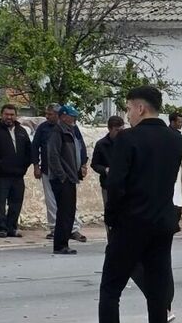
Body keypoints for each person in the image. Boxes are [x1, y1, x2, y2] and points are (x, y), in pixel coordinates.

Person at [94, 86, 182, 323]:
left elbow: (116, 185)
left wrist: (111, 219)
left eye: (129, 109)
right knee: (158, 294)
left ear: (140, 108)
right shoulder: (177, 141)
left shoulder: (127, 139)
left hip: (130, 224)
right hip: (162, 224)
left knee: (111, 289)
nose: (128, 115)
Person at [33, 103, 88, 243]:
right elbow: (44, 151)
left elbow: (80, 146)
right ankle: (55, 230)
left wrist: (83, 164)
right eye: (47, 114)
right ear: (62, 116)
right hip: (52, 172)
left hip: (71, 173)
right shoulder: (47, 129)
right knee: (53, 202)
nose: (47, 116)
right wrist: (37, 166)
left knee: (69, 205)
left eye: (50, 114)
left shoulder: (73, 129)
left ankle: (72, 229)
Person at [44, 106, 85, 255]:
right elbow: (53, 156)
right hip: (63, 179)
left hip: (71, 177)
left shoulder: (71, 131)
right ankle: (60, 245)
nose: (74, 119)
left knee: (69, 211)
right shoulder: (58, 132)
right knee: (64, 212)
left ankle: (64, 243)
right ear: (63, 116)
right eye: (72, 116)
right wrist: (62, 176)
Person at [0, 104, 31, 238]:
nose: (9, 117)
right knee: (0, 203)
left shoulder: (22, 131)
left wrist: (24, 166)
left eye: (12, 115)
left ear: (16, 116)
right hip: (0, 175)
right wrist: (0, 165)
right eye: (6, 114)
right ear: (1, 115)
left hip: (18, 175)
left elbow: (29, 151)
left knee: (16, 202)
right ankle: (1, 228)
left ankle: (12, 227)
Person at [92, 116, 127, 226]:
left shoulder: (128, 143)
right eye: (117, 130)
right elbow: (94, 164)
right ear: (109, 129)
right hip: (108, 185)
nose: (120, 133)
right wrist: (105, 170)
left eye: (122, 130)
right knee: (110, 214)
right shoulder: (101, 144)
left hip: (125, 185)